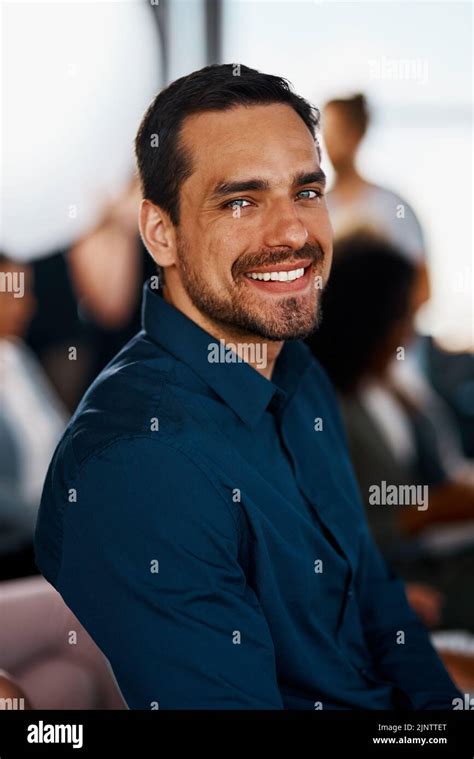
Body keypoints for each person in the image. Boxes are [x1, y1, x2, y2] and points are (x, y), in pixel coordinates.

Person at [34, 64, 460, 710]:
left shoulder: (300, 375)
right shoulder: (137, 461)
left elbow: (373, 597)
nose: (293, 233)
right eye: (241, 201)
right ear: (161, 233)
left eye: (307, 192)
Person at [306, 234, 474, 631]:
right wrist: (428, 511)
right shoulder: (326, 408)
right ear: (370, 323)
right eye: (403, 320)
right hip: (406, 581)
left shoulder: (387, 386)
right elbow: (332, 541)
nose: (409, 336)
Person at [323, 94, 430, 309]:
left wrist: (381, 333)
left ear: (357, 134)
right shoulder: (317, 209)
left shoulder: (391, 207)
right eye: (325, 132)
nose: (330, 141)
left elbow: (422, 287)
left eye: (338, 131)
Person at [0, 255, 66, 579]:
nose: (26, 307)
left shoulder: (17, 356)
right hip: (16, 551)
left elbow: (63, 436)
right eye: (13, 295)